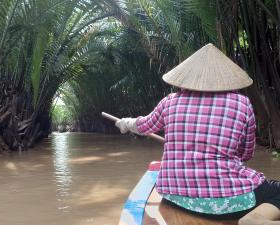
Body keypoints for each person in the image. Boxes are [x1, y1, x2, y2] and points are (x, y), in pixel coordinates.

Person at [115, 43, 280, 225]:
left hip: (174, 196)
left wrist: (126, 123)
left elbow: (143, 126)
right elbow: (246, 153)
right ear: (226, 79)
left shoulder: (169, 102)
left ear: (188, 78)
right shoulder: (242, 103)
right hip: (228, 202)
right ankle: (255, 218)